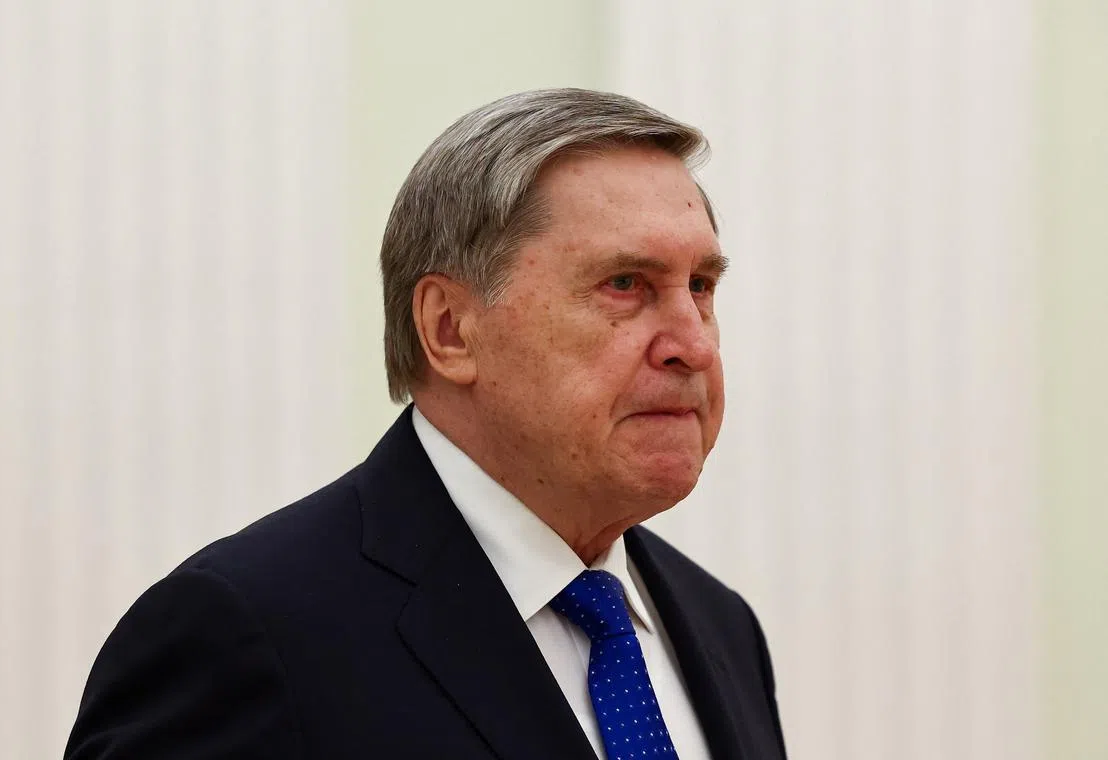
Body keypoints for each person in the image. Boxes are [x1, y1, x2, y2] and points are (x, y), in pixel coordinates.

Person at [65, 88, 787, 760]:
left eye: (701, 287)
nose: (692, 345)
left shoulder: (720, 625)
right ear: (449, 330)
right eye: (625, 285)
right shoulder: (245, 634)